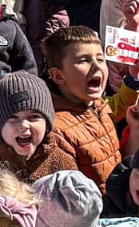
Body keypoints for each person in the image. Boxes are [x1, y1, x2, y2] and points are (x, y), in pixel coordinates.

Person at [40, 25, 121, 188]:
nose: (96, 66)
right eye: (84, 60)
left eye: (100, 59)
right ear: (58, 76)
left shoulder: (99, 104)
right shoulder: (57, 131)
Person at [0, 71, 80, 182]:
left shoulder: (62, 165)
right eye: (13, 117)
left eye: (34, 116)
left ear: (47, 124)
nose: (24, 125)